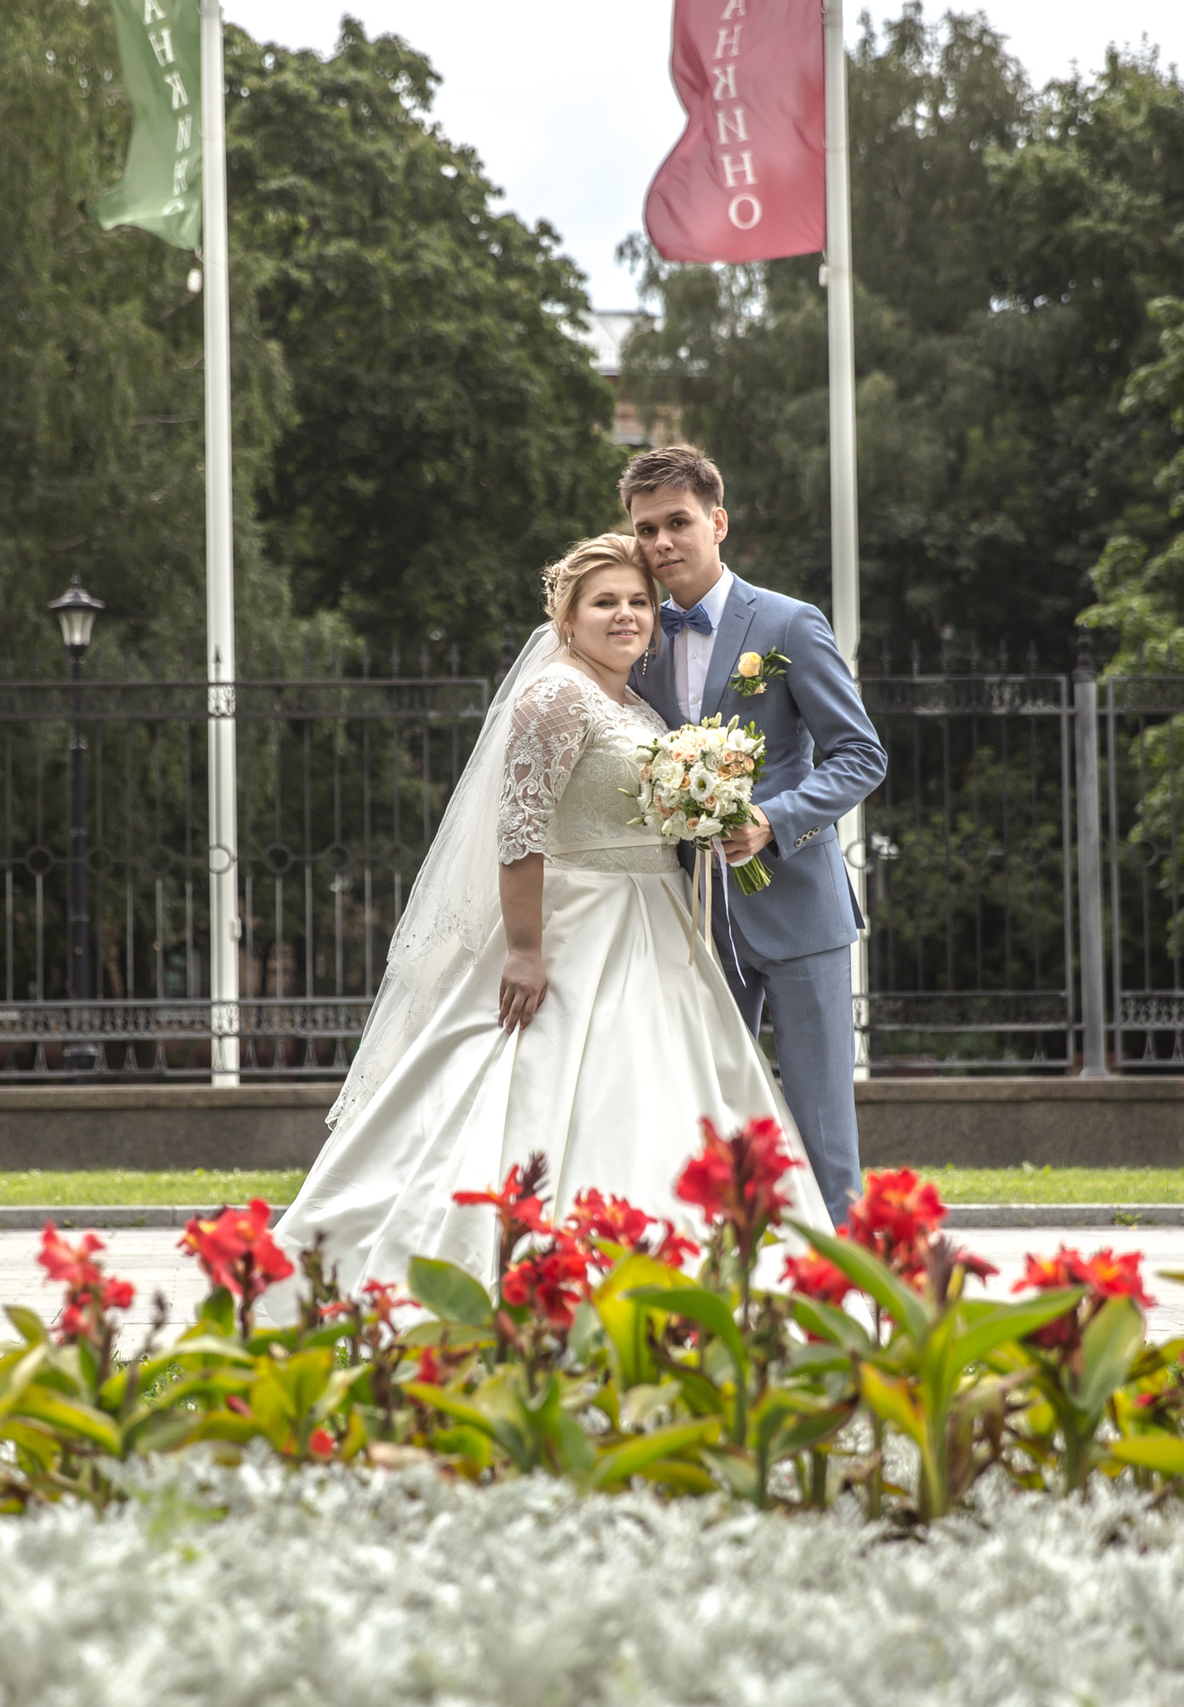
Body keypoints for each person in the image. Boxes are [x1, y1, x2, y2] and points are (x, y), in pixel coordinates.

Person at [269, 533, 830, 1295]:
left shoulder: (630, 698)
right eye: (606, 603)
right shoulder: (556, 694)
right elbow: (520, 828)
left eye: (639, 601)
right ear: (567, 617)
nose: (627, 615)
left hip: (653, 919)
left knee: (662, 1085)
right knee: (535, 1087)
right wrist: (526, 949)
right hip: (577, 923)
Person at [623, 445, 887, 1216]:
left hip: (802, 911)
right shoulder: (636, 638)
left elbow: (859, 755)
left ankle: (844, 1298)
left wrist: (774, 820)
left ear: (718, 521)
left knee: (821, 1128)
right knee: (712, 1126)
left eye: (677, 523)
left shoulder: (786, 622)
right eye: (646, 529)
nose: (661, 543)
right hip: (694, 923)